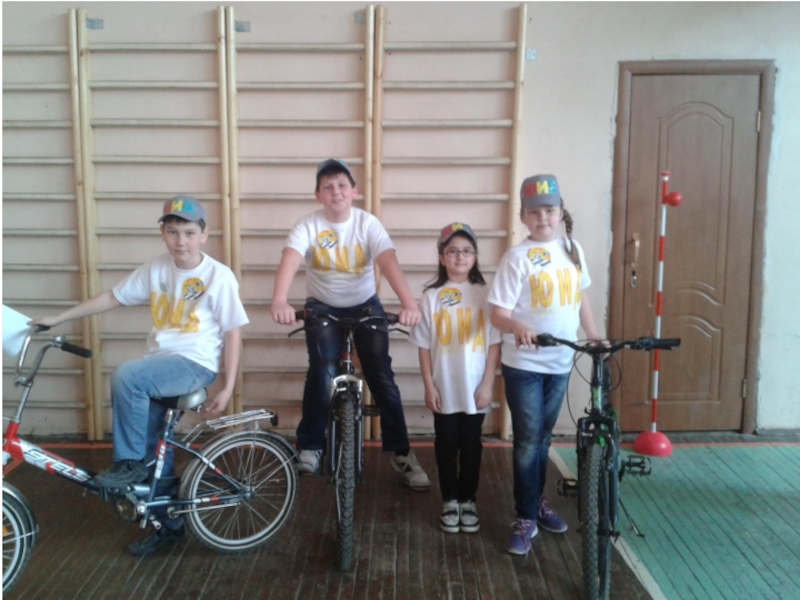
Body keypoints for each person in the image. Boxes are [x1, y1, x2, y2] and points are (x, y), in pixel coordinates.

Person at [30, 195, 249, 555]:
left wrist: (227, 387)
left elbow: (233, 332)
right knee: (153, 449)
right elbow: (112, 297)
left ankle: (127, 464)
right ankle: (168, 525)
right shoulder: (157, 269)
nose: (181, 241)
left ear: (205, 234)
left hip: (194, 364)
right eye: (173, 232)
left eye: (189, 233)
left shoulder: (218, 276)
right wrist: (59, 318)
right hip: (160, 368)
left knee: (127, 376)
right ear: (163, 234)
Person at [271, 158, 430, 491]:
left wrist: (409, 304)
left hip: (365, 305)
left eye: (342, 185)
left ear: (354, 191)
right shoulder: (308, 225)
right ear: (318, 195)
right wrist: (280, 300)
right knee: (322, 373)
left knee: (381, 377)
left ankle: (401, 452)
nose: (336, 191)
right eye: (327, 187)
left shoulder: (367, 223)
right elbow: (291, 258)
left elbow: (387, 261)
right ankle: (310, 445)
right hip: (322, 307)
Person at [488, 174, 601, 556]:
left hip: (561, 362)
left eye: (549, 210)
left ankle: (537, 502)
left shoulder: (572, 249)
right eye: (534, 212)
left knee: (543, 438)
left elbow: (580, 296)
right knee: (526, 440)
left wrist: (593, 334)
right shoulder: (516, 258)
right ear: (523, 216)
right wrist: (516, 326)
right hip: (523, 365)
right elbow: (497, 314)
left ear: (561, 212)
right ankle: (524, 516)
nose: (543, 218)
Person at [409, 223, 500, 533]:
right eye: (453, 251)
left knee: (472, 445)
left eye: (467, 251)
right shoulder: (430, 296)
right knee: (446, 444)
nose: (460, 257)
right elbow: (423, 345)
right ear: (441, 257)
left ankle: (468, 499)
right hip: (444, 387)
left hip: (475, 388)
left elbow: (494, 343)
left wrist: (488, 383)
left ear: (475, 256)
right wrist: (429, 385)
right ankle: (449, 499)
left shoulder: (487, 294)